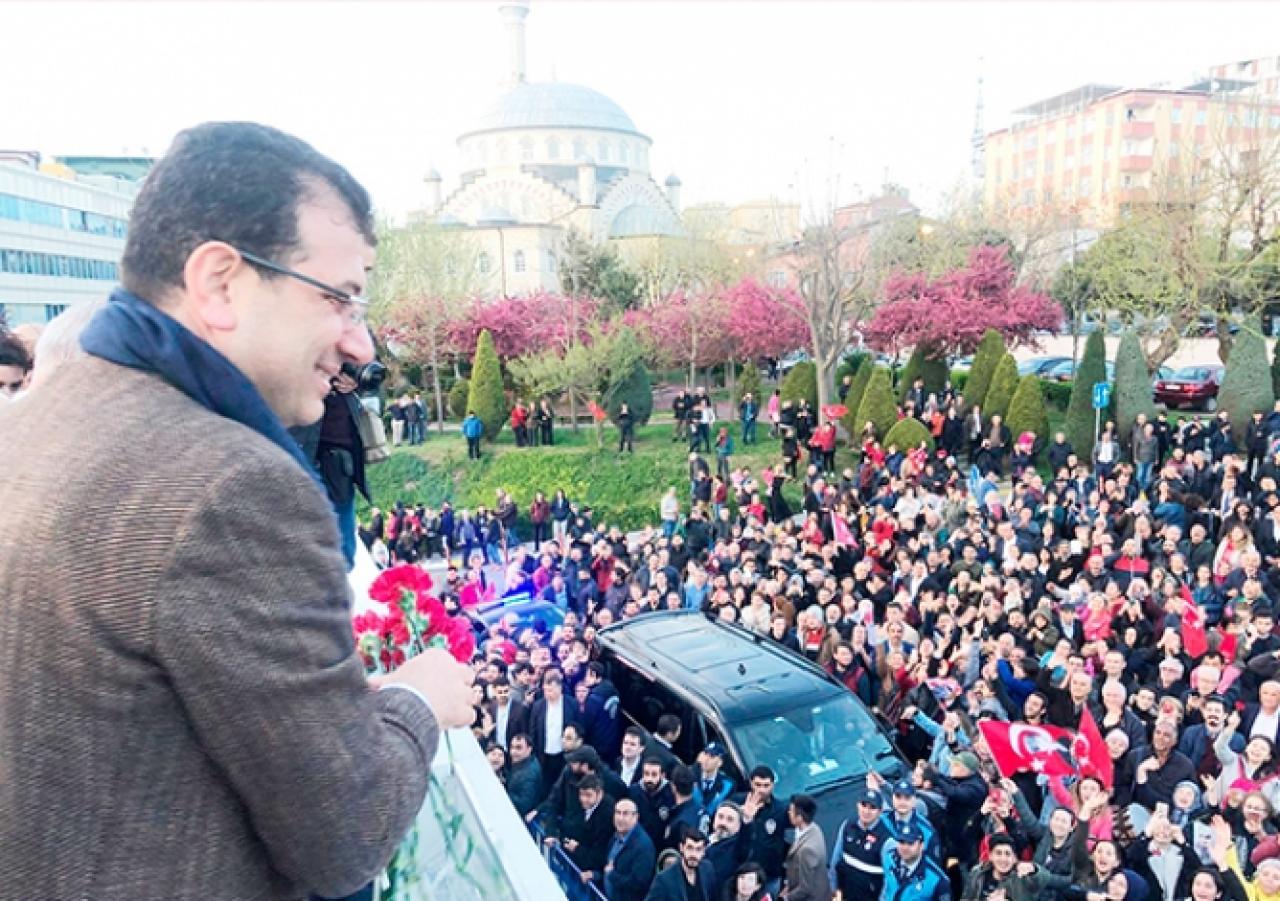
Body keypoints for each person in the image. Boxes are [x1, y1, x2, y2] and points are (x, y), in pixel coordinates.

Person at [0, 121, 478, 899]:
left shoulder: (39, 415)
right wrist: (416, 696)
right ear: (221, 282)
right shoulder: (235, 487)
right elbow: (346, 833)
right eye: (339, 299)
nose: (361, 346)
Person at [604, 798, 657, 901]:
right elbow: (608, 864)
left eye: (625, 814)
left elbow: (638, 883)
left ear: (635, 817)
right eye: (618, 813)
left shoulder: (644, 847)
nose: (620, 818)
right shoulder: (615, 837)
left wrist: (612, 875)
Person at [645, 827, 715, 901]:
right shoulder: (664, 879)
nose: (694, 854)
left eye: (698, 849)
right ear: (681, 848)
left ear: (704, 851)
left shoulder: (707, 869)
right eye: (690, 848)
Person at [783, 794, 831, 901]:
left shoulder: (807, 850)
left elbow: (805, 888)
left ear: (800, 818)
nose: (788, 812)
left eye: (791, 811)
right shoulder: (814, 828)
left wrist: (785, 898)